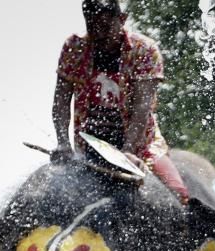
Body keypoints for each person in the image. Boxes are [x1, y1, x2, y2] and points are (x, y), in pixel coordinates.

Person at [53, 0, 190, 203]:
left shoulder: (144, 50)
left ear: (122, 20)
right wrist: (63, 143)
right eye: (93, 27)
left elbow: (142, 108)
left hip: (140, 146)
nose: (100, 35)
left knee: (178, 193)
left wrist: (128, 151)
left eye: (106, 27)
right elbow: (61, 102)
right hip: (90, 145)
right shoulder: (74, 48)